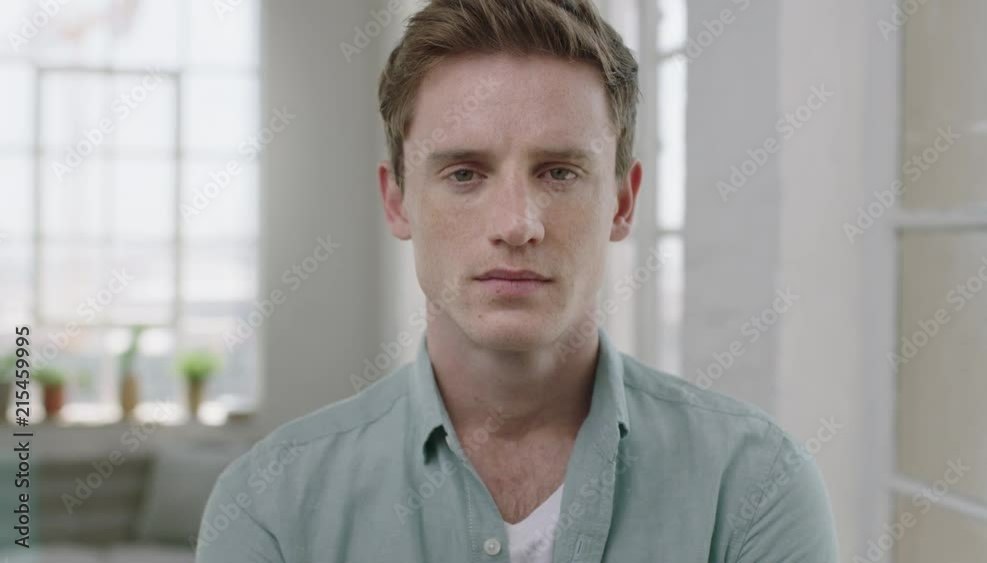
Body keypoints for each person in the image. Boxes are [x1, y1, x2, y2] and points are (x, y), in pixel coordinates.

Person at [197, 0, 839, 561]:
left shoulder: (756, 485)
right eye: (464, 174)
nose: (516, 224)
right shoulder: (269, 504)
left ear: (621, 202)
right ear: (398, 203)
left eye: (559, 172)